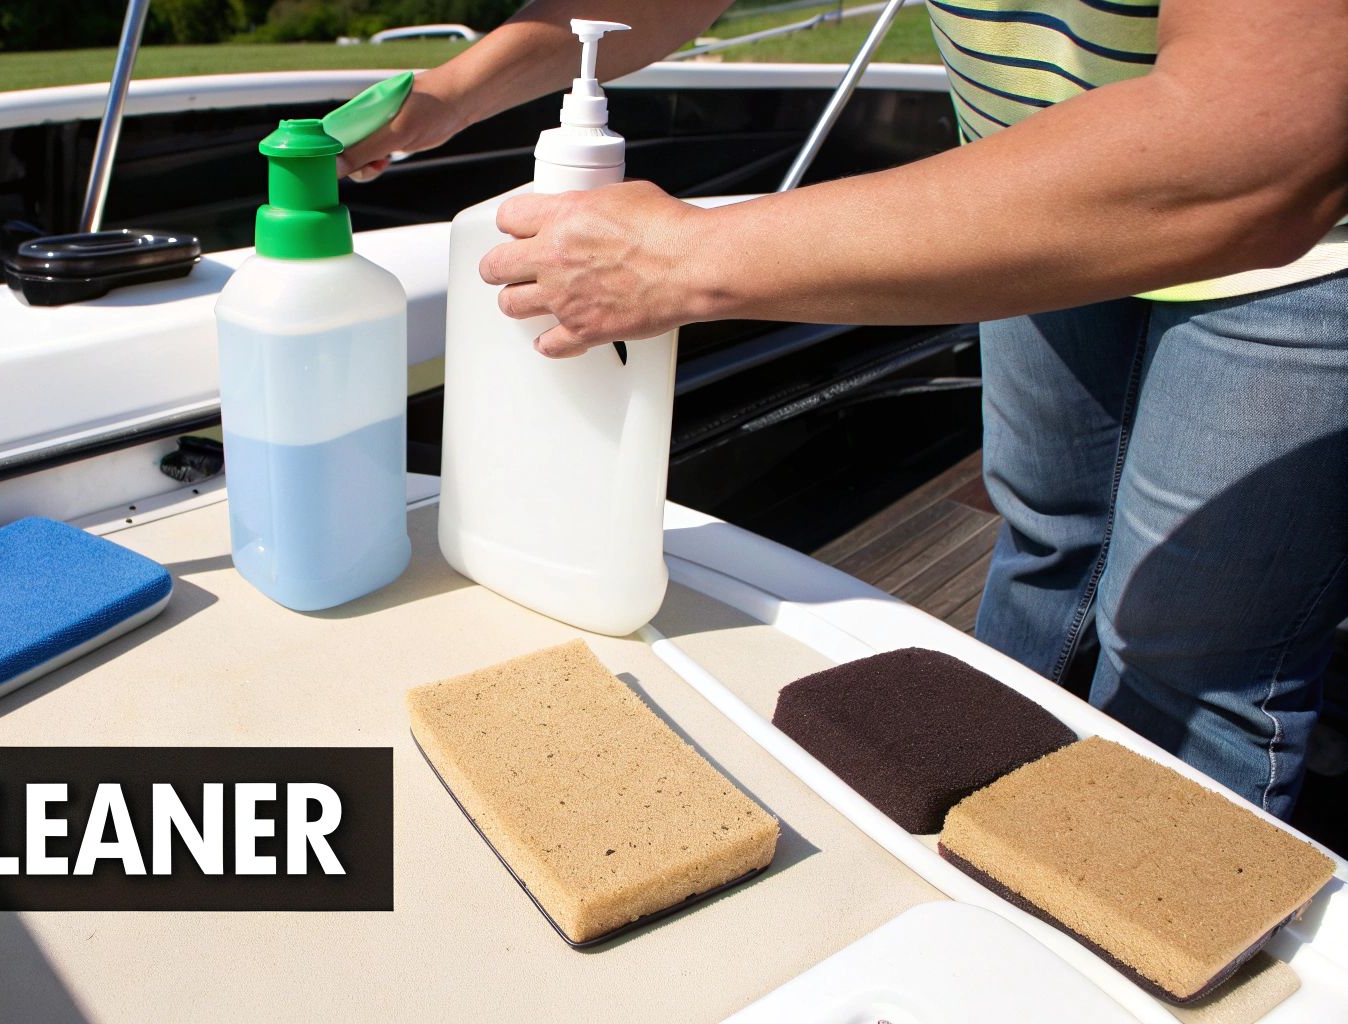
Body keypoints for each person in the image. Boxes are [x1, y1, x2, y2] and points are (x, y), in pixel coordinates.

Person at [338, 0, 1348, 819]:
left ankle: (1170, 937)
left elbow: (1254, 147)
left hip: (1298, 250)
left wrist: (689, 260)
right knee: (1049, 541)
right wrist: (452, 92)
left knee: (1186, 655)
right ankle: (992, 825)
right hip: (1031, 182)